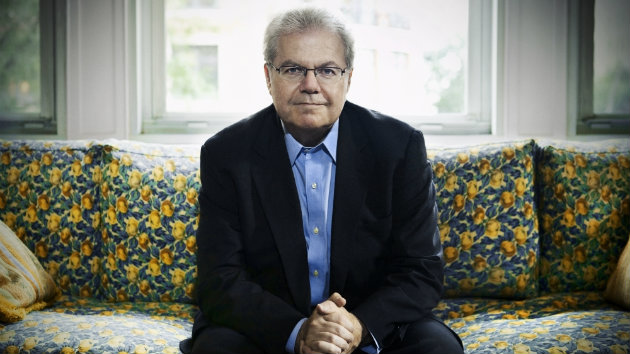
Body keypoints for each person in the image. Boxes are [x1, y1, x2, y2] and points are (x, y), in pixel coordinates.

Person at [180, 7, 463, 354]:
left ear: (348, 78)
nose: (310, 85)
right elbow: (218, 279)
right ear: (269, 77)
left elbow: (422, 270)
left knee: (438, 348)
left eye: (327, 70)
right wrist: (299, 332)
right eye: (293, 69)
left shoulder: (398, 147)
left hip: (368, 323)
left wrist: (356, 326)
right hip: (268, 327)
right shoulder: (226, 154)